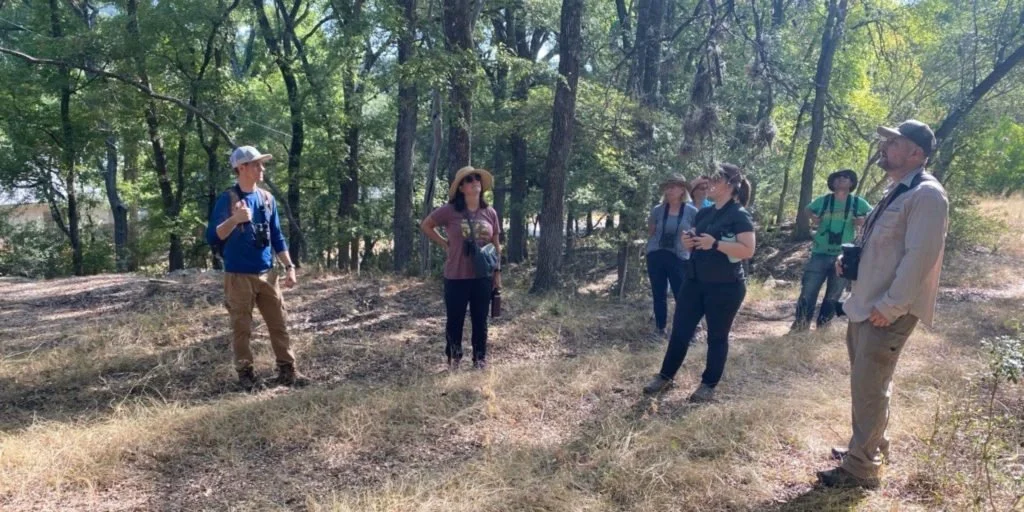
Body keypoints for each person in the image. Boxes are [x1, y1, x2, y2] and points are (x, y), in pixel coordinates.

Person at [817, 120, 948, 489]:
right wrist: (850, 264)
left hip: (886, 310)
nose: (886, 147)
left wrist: (890, 306)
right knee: (867, 383)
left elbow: (920, 257)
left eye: (895, 143)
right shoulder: (897, 191)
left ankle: (861, 470)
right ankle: (870, 445)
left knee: (871, 385)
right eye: (887, 142)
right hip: (865, 302)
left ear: (916, 154)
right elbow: (885, 247)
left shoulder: (927, 195)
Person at [643, 163, 756, 402]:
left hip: (726, 286)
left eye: (715, 179)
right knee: (680, 331)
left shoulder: (739, 214)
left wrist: (715, 244)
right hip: (694, 281)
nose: (709, 184)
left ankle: (708, 384)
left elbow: (748, 250)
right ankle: (665, 376)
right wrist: (689, 242)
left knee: (717, 336)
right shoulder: (704, 212)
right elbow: (694, 244)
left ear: (730, 185)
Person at [206, 145, 306, 391]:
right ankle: (246, 375)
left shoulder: (267, 199)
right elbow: (213, 236)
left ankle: (287, 371)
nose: (262, 168)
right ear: (241, 168)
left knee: (279, 324)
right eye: (256, 164)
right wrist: (235, 219)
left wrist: (289, 266)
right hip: (238, 275)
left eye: (262, 164)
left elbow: (277, 236)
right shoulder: (228, 199)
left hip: (267, 274)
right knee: (242, 328)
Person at [421, 166, 502, 371]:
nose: (475, 181)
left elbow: (496, 244)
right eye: (469, 179)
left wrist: (497, 273)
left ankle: (479, 360)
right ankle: (454, 360)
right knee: (455, 320)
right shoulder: (450, 211)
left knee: (480, 320)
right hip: (456, 275)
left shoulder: (490, 212)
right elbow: (426, 225)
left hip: (482, 275)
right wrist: (445, 244)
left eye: (477, 178)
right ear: (461, 188)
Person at [791, 169, 872, 332]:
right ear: (832, 183)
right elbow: (807, 209)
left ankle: (823, 329)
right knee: (808, 291)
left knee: (834, 295)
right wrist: (813, 217)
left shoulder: (857, 203)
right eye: (838, 177)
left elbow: (873, 215)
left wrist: (863, 220)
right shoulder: (824, 201)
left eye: (846, 178)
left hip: (843, 257)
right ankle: (799, 328)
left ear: (852, 183)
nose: (842, 180)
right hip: (819, 253)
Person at [646, 175, 699, 338]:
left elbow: (695, 234)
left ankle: (687, 330)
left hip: (679, 256)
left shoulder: (691, 211)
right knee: (658, 293)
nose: (669, 190)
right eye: (667, 187)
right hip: (656, 254)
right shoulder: (657, 210)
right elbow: (651, 232)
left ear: (682, 189)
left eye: (673, 187)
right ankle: (660, 328)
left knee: (681, 294)